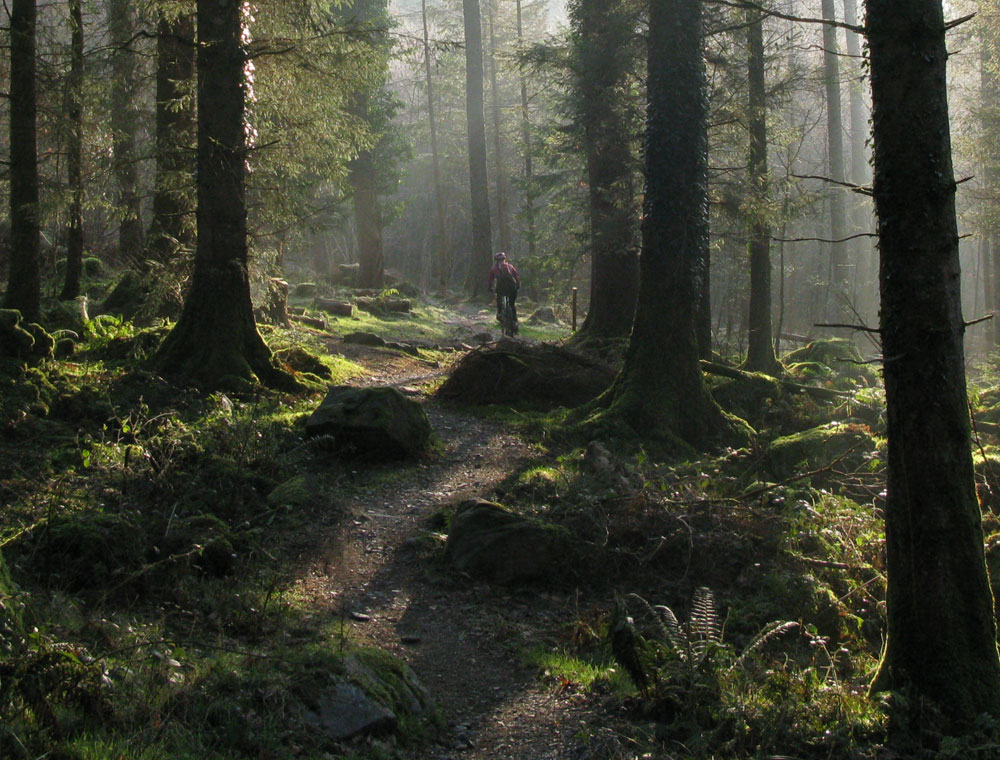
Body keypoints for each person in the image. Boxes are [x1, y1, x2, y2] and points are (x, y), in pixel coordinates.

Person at [488, 251, 520, 331]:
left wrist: (490, 288)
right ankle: (515, 321)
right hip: (512, 288)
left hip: (501, 289)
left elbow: (490, 280)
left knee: (499, 301)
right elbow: (516, 276)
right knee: (512, 304)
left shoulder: (494, 269)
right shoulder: (510, 266)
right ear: (504, 259)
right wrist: (518, 285)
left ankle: (499, 314)